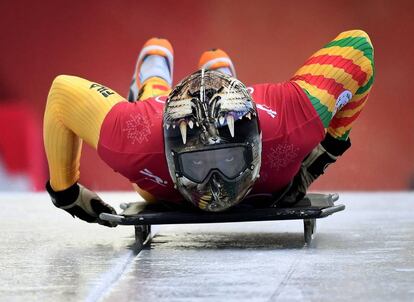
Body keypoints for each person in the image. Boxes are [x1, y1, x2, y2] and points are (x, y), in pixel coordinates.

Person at [44, 30, 374, 226]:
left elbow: (62, 94)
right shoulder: (296, 120)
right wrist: (328, 147)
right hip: (167, 141)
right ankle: (157, 75)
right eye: (197, 164)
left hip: (166, 178)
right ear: (171, 157)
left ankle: (159, 71)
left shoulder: (293, 119)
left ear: (257, 144)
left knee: (147, 178)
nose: (214, 188)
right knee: (151, 107)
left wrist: (66, 192)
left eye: (229, 161)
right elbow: (359, 49)